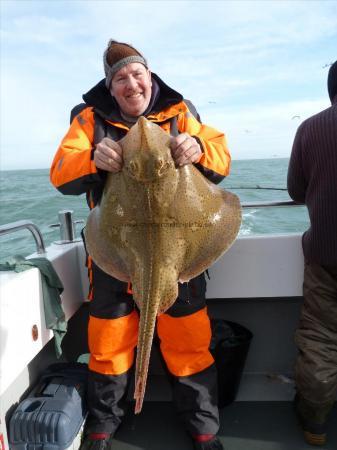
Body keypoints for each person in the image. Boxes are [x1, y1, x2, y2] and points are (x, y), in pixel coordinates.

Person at [50, 40, 232, 450]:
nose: (131, 84)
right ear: (110, 88)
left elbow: (222, 158)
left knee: (188, 340)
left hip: (178, 252)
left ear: (150, 77)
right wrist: (92, 160)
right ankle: (102, 426)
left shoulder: (180, 113)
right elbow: (61, 172)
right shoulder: (89, 119)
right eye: (120, 78)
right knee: (109, 343)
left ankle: (203, 427)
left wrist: (199, 147)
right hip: (117, 253)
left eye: (137, 74)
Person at [287, 60, 337, 446]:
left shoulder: (310, 128)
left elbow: (296, 192)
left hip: (326, 252)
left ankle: (314, 426)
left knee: (321, 341)